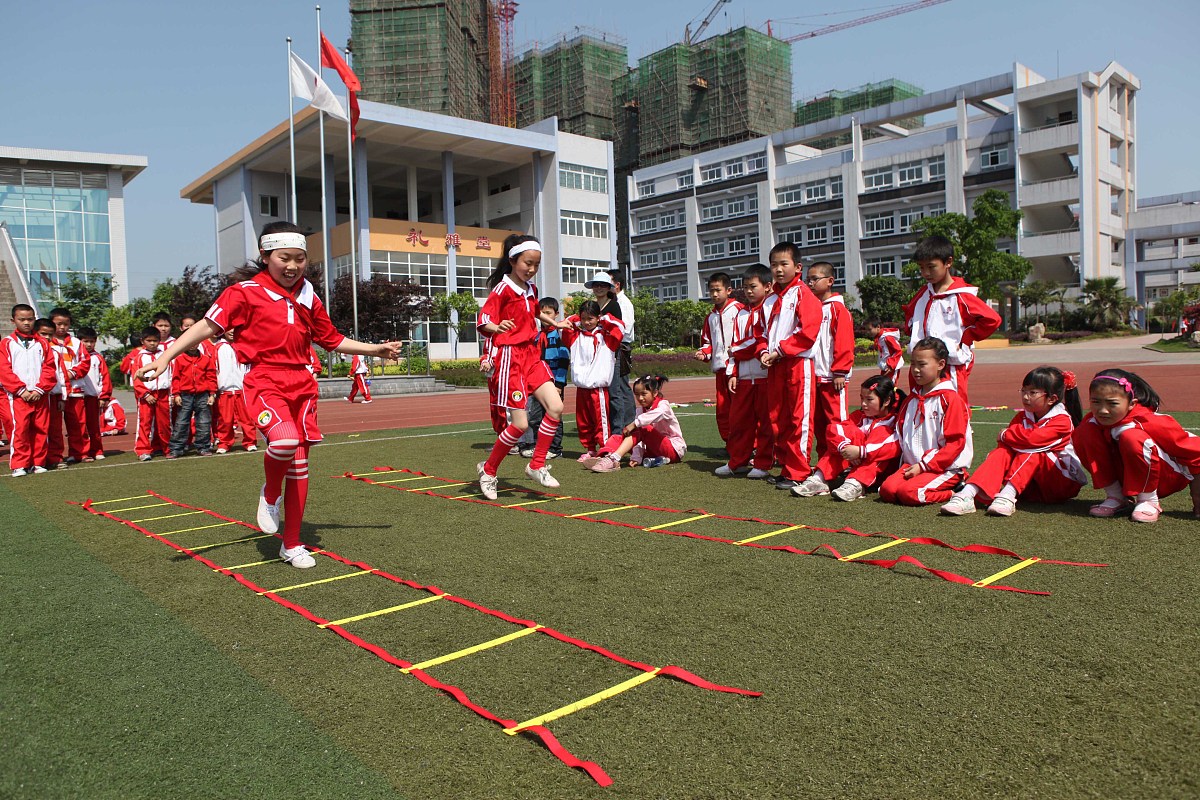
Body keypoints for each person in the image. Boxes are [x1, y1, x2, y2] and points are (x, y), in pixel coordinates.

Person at [139, 221, 403, 569]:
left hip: (303, 386)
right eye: (284, 258)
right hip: (264, 381)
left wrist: (375, 349)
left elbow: (331, 339)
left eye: (299, 259)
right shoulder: (243, 292)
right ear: (266, 256)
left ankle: (291, 545)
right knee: (282, 442)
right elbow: (207, 326)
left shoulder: (308, 294)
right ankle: (268, 493)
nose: (292, 266)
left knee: (300, 466)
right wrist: (165, 357)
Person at [474, 234, 568, 501]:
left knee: (556, 407)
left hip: (532, 356)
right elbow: (483, 321)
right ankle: (489, 470)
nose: (532, 269)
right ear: (513, 260)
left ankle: (536, 465)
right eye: (528, 263)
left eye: (536, 265)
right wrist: (497, 327)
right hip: (511, 359)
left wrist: (555, 323)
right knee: (519, 424)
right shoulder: (502, 290)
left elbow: (534, 311)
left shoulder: (531, 289)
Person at [942, 366, 1086, 517]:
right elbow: (1008, 445)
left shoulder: (1062, 421)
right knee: (1003, 452)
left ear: (1052, 399)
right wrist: (1011, 438)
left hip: (1059, 486)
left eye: (1033, 392)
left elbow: (1032, 440)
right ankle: (968, 493)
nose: (1025, 396)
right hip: (1029, 488)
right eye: (1023, 391)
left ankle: (1007, 495)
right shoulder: (1022, 416)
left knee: (1034, 452)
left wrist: (1004, 434)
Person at [1072, 369, 1200, 523]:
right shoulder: (1093, 421)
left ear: (1131, 404)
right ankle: (1117, 497)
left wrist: (1197, 493)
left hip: (1167, 477)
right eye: (1096, 402)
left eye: (1112, 403)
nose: (1102, 410)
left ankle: (1148, 500)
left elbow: (1195, 451)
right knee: (1083, 432)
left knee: (1132, 437)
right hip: (1128, 476)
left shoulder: (1151, 422)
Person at [902, 235, 1000, 405]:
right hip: (922, 364)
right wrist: (913, 337)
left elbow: (992, 319)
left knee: (953, 407)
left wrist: (966, 339)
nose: (925, 273)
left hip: (951, 365)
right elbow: (909, 315)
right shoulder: (923, 295)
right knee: (920, 404)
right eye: (921, 267)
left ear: (948, 262)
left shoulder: (962, 296)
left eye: (931, 267)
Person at [758, 242, 822, 490]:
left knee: (799, 418)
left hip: (798, 363)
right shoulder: (770, 298)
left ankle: (799, 470)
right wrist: (764, 351)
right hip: (776, 364)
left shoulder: (803, 294)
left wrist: (780, 350)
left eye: (784, 264)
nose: (778, 269)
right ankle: (787, 467)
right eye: (774, 264)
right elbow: (761, 331)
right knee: (779, 418)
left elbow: (808, 331)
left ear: (797, 267)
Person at [879, 337, 973, 506]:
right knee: (888, 491)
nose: (915, 370)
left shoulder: (950, 399)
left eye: (922, 365)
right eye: (913, 364)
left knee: (910, 493)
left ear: (941, 364)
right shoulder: (912, 399)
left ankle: (956, 490)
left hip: (945, 468)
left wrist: (924, 466)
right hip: (913, 465)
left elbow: (955, 443)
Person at [792, 261, 855, 497]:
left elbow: (844, 342)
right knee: (820, 427)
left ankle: (841, 467)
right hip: (814, 377)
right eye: (808, 279)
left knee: (837, 427)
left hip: (832, 378)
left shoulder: (837, 309)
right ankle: (825, 467)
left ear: (830, 281)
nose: (810, 283)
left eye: (815, 278)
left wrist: (840, 371)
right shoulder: (814, 307)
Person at [804, 375, 904, 502]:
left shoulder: (894, 422)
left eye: (869, 399)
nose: (863, 404)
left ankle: (856, 484)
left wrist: (860, 452)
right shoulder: (860, 416)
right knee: (842, 440)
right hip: (858, 459)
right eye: (862, 398)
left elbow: (891, 447)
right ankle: (819, 479)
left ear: (886, 401)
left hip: (881, 471)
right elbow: (835, 429)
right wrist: (844, 448)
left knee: (879, 438)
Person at [716, 264, 774, 479]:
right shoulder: (740, 313)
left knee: (766, 423)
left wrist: (737, 350)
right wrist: (732, 372)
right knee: (739, 421)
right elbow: (737, 344)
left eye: (753, 286)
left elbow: (757, 342)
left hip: (765, 376)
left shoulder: (770, 309)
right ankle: (737, 461)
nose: (749, 291)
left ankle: (763, 463)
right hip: (743, 377)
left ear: (767, 287)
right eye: (746, 287)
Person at [561, 299, 623, 460]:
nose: (587, 322)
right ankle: (590, 449)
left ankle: (605, 448)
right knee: (583, 421)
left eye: (591, 318)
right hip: (581, 388)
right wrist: (576, 317)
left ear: (598, 318)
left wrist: (603, 319)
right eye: (584, 319)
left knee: (600, 421)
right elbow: (565, 325)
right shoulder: (575, 336)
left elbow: (620, 327)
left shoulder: (607, 338)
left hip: (599, 389)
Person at [0, 304, 55, 476]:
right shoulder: (6, 343)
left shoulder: (43, 343)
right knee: (20, 429)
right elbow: (4, 369)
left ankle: (38, 462)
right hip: (17, 396)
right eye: (21, 319)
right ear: (13, 320)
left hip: (39, 394)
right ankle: (19, 464)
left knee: (41, 428)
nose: (26, 323)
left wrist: (40, 389)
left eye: (30, 319)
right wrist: (20, 390)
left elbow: (49, 368)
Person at [588, 374, 686, 471]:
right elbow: (637, 435)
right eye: (637, 395)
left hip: (673, 451)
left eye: (644, 394)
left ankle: (614, 459)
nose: (640, 398)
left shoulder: (663, 405)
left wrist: (635, 423)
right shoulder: (639, 411)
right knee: (620, 435)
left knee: (642, 428)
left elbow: (655, 416)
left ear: (655, 393)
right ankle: (605, 456)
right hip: (654, 451)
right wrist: (637, 457)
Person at [517, 297, 570, 459]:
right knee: (534, 415)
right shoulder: (536, 336)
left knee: (554, 415)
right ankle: (534, 445)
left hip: (553, 383)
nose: (545, 316)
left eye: (549, 313)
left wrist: (559, 384)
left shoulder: (560, 336)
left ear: (556, 314)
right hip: (536, 382)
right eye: (542, 313)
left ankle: (555, 448)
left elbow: (563, 361)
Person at [695, 272, 743, 445]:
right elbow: (708, 342)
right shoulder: (710, 317)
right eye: (711, 291)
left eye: (718, 290)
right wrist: (704, 353)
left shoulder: (739, 310)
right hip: (720, 370)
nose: (714, 294)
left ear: (728, 290)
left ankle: (749, 445)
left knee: (741, 409)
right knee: (723, 410)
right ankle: (731, 443)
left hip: (738, 369)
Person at [47, 308, 92, 467]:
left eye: (65, 324)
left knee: (78, 424)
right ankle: (56, 456)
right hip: (55, 391)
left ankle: (80, 453)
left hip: (74, 391)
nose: (62, 327)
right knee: (55, 427)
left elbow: (85, 362)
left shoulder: (76, 343)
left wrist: (72, 373)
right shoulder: (45, 341)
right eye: (58, 324)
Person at [168, 341, 216, 458]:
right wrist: (176, 394)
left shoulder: (206, 359)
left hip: (202, 395)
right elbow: (176, 378)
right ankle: (176, 448)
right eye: (190, 343)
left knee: (204, 422)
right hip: (185, 395)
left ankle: (203, 447)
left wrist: (212, 394)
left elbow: (211, 377)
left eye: (195, 342)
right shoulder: (179, 359)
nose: (193, 345)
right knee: (181, 422)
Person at [212, 331, 258, 453]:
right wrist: (215, 387)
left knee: (247, 418)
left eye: (234, 328)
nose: (232, 331)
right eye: (229, 328)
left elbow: (249, 366)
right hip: (225, 390)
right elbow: (214, 368)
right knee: (225, 420)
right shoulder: (218, 348)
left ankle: (250, 442)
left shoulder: (243, 346)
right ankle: (224, 443)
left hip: (242, 389)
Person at [131, 328, 171, 461]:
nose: (152, 343)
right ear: (142, 341)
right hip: (146, 395)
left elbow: (172, 373)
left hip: (163, 393)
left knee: (164, 422)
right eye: (149, 340)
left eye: (155, 341)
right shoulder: (139, 357)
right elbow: (136, 379)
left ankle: (165, 447)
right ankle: (143, 449)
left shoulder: (165, 355)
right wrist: (145, 394)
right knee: (145, 422)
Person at [77, 327, 112, 461]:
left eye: (92, 341)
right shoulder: (76, 357)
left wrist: (104, 396)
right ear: (79, 342)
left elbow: (105, 377)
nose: (89, 344)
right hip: (77, 396)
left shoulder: (98, 358)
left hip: (92, 397)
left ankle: (97, 450)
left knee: (94, 426)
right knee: (79, 426)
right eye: (86, 341)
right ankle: (81, 452)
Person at [867, 319, 904, 384]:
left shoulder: (887, 337)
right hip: (885, 367)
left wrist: (891, 365)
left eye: (869, 329)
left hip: (892, 367)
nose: (868, 332)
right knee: (883, 387)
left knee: (890, 387)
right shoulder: (879, 338)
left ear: (878, 327)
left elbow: (898, 350)